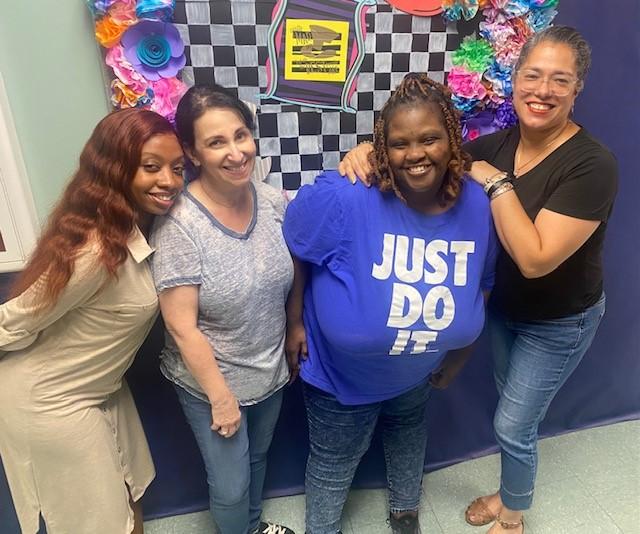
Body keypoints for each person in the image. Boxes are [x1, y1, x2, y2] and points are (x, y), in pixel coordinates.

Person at [339, 26, 617, 534]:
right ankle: (509, 488)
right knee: (515, 414)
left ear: (578, 89)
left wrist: (494, 180)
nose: (543, 90)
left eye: (560, 80)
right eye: (532, 75)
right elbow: (426, 151)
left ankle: (512, 517)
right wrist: (366, 149)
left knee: (513, 422)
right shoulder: (497, 142)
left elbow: (534, 259)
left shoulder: (592, 165)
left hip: (560, 320)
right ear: (514, 79)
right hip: (506, 310)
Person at [283, 73, 498, 534]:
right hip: (342, 378)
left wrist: (459, 356)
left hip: (417, 371)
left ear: (452, 140)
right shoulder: (346, 194)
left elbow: (482, 281)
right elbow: (298, 247)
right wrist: (294, 318)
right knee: (332, 465)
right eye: (399, 143)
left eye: (430, 139)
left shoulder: (478, 205)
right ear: (381, 147)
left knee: (407, 434)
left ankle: (405, 513)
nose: (416, 154)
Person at [0, 108, 185, 534]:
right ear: (116, 170)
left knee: (129, 496)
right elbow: (18, 318)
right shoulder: (94, 250)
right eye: (151, 167)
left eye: (177, 168)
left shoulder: (137, 225)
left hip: (102, 388)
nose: (169, 181)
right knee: (97, 522)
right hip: (52, 400)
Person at [150, 85, 295, 534]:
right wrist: (221, 399)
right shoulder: (179, 224)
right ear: (192, 152)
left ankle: (251, 528)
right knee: (231, 484)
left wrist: (295, 324)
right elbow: (180, 325)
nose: (236, 153)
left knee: (256, 459)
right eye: (216, 142)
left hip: (268, 369)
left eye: (241, 136)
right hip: (211, 382)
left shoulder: (272, 201)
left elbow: (296, 270)